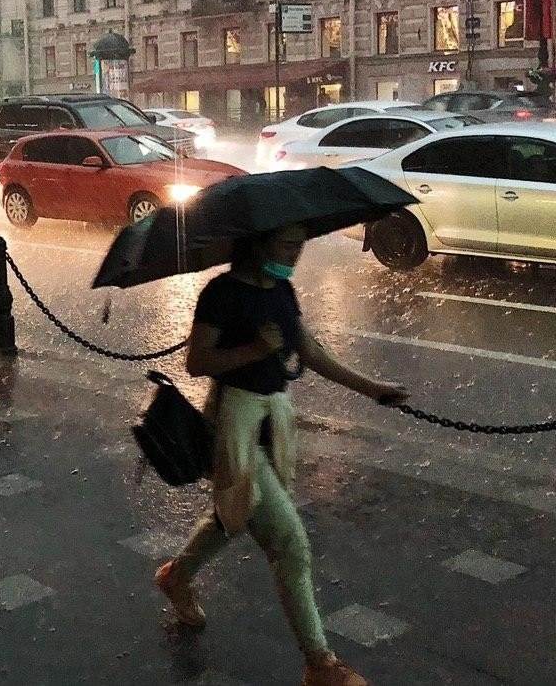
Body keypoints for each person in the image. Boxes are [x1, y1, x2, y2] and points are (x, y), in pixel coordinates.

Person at [154, 224, 409, 686]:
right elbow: (198, 362)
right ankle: (320, 664)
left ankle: (176, 577)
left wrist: (373, 390)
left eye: (299, 245)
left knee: (234, 514)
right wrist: (255, 349)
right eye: (288, 245)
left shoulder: (283, 290)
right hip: (233, 421)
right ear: (259, 242)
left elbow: (308, 350)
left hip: (274, 417)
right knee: (288, 540)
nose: (296, 253)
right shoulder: (222, 292)